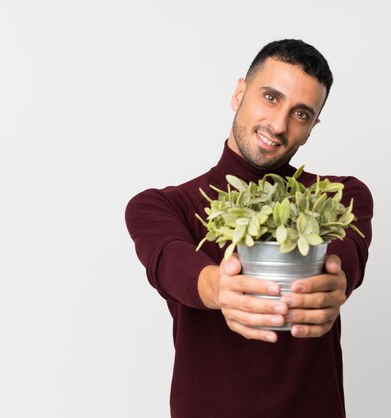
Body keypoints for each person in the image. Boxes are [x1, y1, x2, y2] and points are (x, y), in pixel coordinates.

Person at [125, 39, 373, 418]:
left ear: (311, 129)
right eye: (271, 97)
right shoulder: (162, 206)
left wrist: (335, 282)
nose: (278, 124)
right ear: (239, 92)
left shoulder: (338, 198)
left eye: (301, 114)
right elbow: (170, 263)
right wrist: (219, 288)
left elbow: (347, 255)